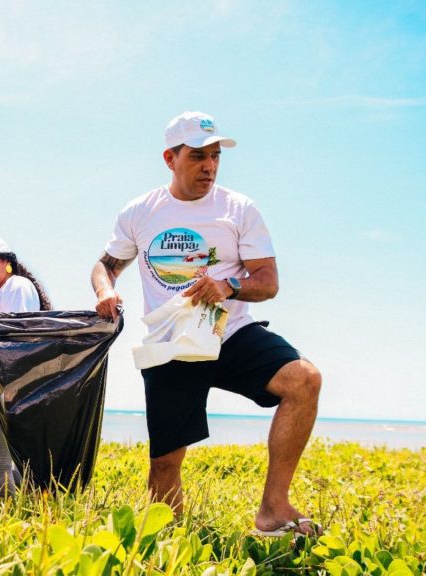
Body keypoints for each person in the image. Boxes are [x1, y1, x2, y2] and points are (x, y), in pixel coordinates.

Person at [90, 111, 323, 536]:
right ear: (170, 158)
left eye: (215, 156)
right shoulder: (140, 212)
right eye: (198, 156)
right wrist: (105, 291)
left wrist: (228, 285)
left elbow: (268, 283)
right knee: (164, 464)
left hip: (230, 333)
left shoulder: (238, 208)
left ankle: (273, 508)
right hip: (171, 345)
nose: (209, 167)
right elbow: (105, 266)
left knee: (304, 380)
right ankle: (170, 540)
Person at [0, 235, 51, 496]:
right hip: (3, 382)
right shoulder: (9, 290)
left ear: (8, 262)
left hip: (12, 382)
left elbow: (16, 338)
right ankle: (39, 492)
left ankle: (5, 514)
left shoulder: (17, 285)